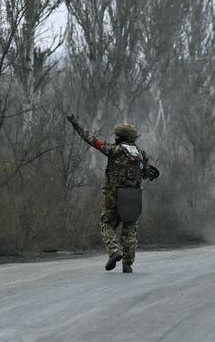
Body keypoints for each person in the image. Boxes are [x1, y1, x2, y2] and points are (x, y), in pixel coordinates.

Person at [66, 114, 159, 273]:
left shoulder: (113, 150)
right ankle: (128, 263)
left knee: (107, 224)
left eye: (117, 135)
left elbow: (92, 140)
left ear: (122, 137)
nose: (115, 137)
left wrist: (76, 124)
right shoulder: (141, 154)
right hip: (133, 197)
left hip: (113, 196)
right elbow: (146, 174)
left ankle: (114, 251)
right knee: (130, 229)